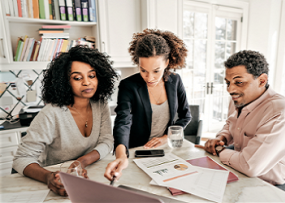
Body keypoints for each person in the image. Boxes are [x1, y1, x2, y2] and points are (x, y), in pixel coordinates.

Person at [13, 45, 118, 196]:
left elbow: (107, 141)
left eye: (92, 75)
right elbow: (21, 158)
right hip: (55, 181)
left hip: (87, 175)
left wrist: (81, 162)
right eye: (77, 78)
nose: (87, 82)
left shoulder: (100, 104)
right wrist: (48, 177)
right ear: (65, 81)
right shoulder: (51, 114)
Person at [104, 29, 192, 181]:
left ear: (167, 63)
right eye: (143, 70)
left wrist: (166, 137)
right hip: (136, 151)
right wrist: (120, 155)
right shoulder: (128, 85)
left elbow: (186, 115)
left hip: (165, 151)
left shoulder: (175, 81)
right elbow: (123, 122)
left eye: (156, 71)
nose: (149, 77)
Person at [201, 50, 285, 185]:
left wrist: (220, 150)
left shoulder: (279, 112)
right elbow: (231, 123)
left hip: (272, 185)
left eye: (239, 82)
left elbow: (250, 166)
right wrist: (222, 138)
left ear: (262, 81)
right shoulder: (238, 98)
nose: (230, 89)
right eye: (228, 82)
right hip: (241, 173)